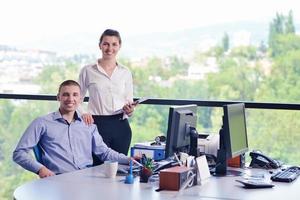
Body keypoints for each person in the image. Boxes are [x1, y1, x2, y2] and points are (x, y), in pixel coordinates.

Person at [12, 80, 130, 178]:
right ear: (58, 97)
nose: (70, 99)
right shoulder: (42, 123)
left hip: (87, 179)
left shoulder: (89, 125)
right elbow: (19, 153)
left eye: (75, 95)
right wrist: (40, 169)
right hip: (58, 180)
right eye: (65, 94)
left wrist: (129, 159)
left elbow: (105, 153)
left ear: (80, 99)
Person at [78, 29, 135, 161]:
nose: (110, 48)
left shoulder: (125, 72)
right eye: (106, 44)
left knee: (119, 169)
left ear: (119, 46)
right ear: (100, 45)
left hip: (121, 126)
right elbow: (77, 99)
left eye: (114, 44)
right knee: (97, 169)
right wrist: (83, 113)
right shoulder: (88, 70)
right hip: (97, 125)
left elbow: (129, 101)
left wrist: (130, 110)